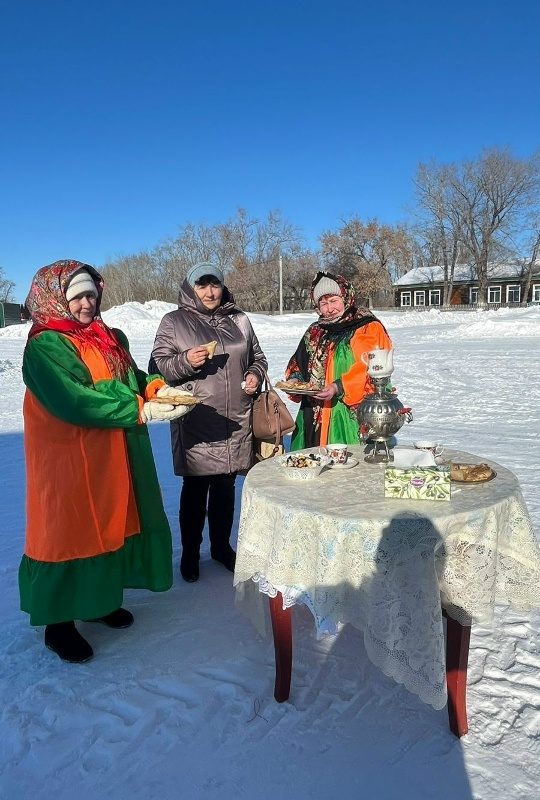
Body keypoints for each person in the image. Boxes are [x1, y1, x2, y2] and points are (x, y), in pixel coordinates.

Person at [20, 260, 191, 663]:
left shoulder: (107, 337)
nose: (86, 304)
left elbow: (130, 377)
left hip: (114, 450)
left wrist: (156, 389)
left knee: (113, 522)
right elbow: (74, 400)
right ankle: (58, 624)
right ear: (55, 299)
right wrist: (138, 409)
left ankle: (99, 601)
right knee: (70, 531)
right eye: (76, 297)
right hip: (68, 458)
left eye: (91, 296)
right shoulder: (45, 346)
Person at [150, 261, 268, 583]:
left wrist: (254, 375)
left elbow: (258, 357)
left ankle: (220, 547)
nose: (209, 291)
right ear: (191, 289)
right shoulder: (174, 321)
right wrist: (185, 360)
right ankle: (190, 553)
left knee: (225, 486)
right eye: (202, 285)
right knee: (195, 487)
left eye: (214, 284)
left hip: (236, 417)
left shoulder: (239, 320)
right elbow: (158, 366)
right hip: (197, 418)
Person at [284, 271, 392, 450]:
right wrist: (295, 380)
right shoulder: (315, 331)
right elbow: (298, 362)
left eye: (334, 301)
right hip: (313, 414)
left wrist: (338, 387)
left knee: (346, 463)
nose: (329, 309)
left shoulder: (367, 327)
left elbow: (371, 368)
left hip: (347, 414)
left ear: (346, 298)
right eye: (323, 303)